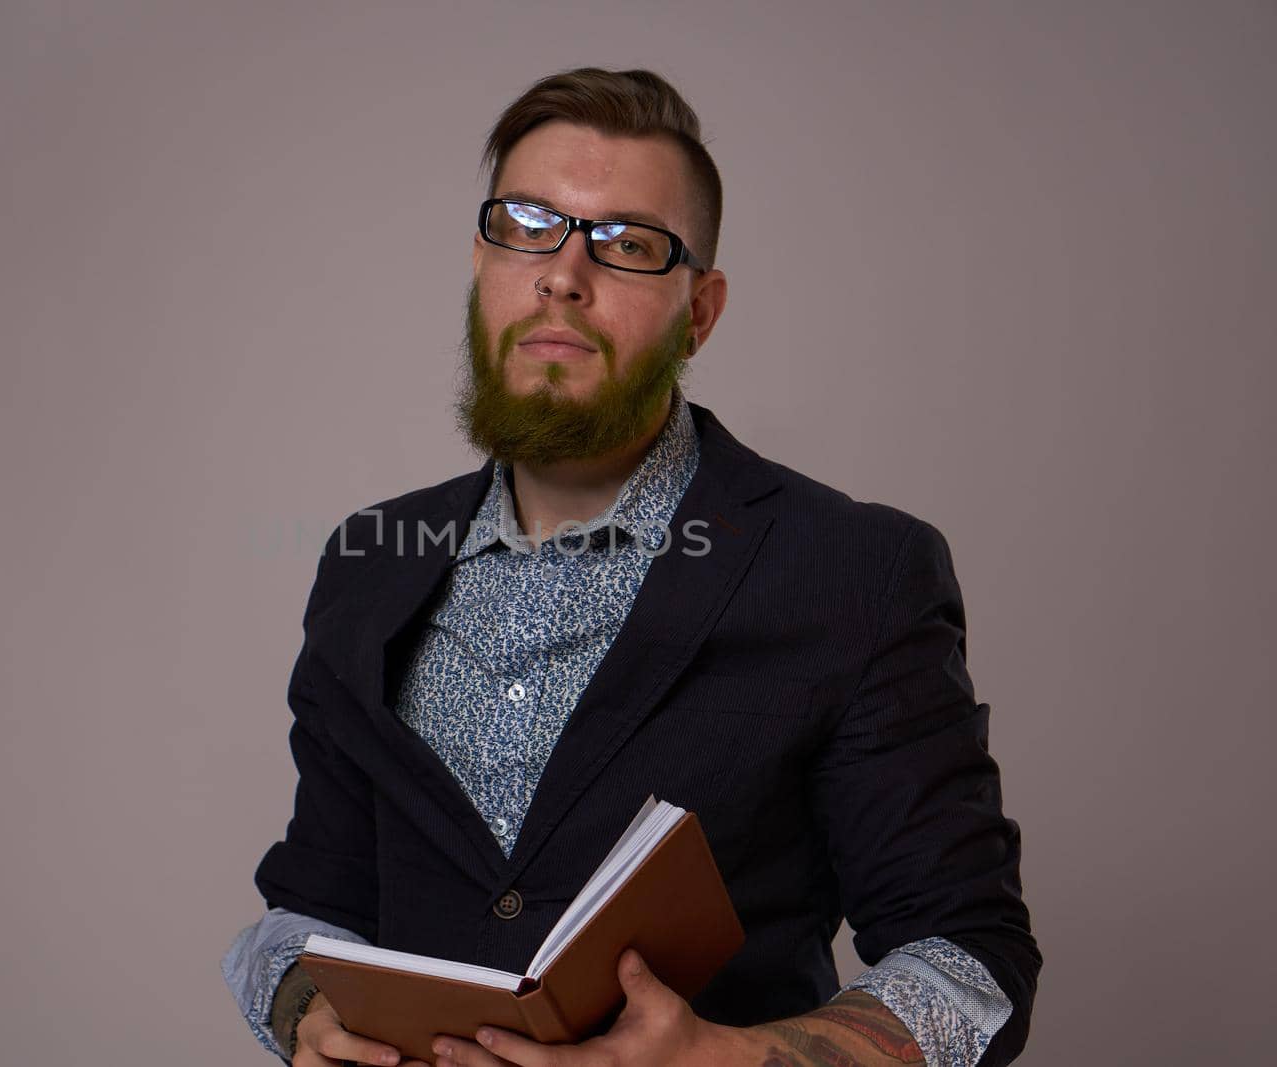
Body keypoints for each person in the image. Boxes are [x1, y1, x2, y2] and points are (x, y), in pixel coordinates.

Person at [223, 67, 1039, 1067]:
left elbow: (966, 961)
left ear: (700, 309)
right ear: (482, 259)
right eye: (527, 223)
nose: (563, 273)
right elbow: (310, 906)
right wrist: (307, 1008)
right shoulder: (366, 563)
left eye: (628, 243)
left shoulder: (855, 573)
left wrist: (727, 1059)